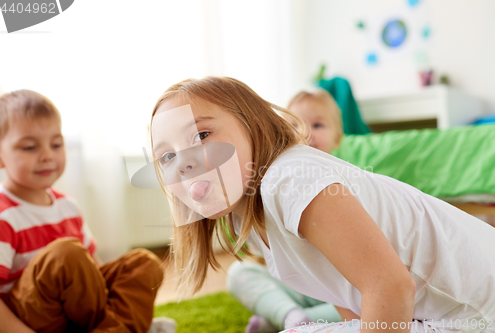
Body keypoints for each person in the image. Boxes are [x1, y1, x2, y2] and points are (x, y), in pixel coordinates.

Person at [149, 76, 495, 333]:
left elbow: (390, 285)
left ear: (253, 124)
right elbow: (342, 291)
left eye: (202, 135)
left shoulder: (289, 179)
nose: (185, 162)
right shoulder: (246, 215)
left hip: (477, 317)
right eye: (166, 156)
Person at [0, 90, 176, 333]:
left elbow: (93, 269)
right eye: (29, 147)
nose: (47, 155)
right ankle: (129, 325)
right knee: (66, 254)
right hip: (32, 318)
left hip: (76, 311)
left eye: (56, 144)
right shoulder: (0, 215)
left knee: (143, 263)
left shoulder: (67, 205)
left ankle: (115, 326)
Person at [226, 89, 351, 333]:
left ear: (337, 139)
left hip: (344, 291)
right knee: (239, 272)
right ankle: (289, 315)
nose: (305, 133)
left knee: (367, 306)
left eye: (318, 124)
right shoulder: (277, 182)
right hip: (300, 284)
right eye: (294, 124)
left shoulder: (345, 181)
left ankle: (286, 319)